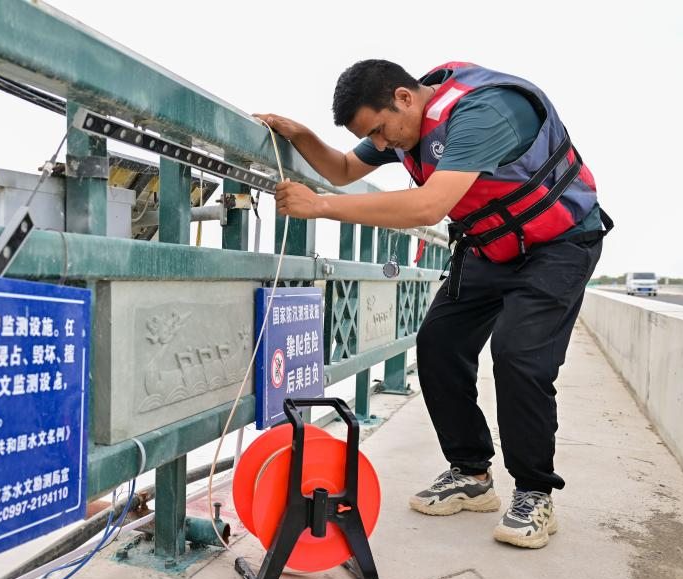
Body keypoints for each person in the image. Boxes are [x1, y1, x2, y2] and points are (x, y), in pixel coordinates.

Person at [256, 59, 611, 549]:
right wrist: (299, 135)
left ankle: (534, 492)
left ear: (404, 97)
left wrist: (318, 205)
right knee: (439, 345)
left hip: (558, 244)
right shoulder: (403, 123)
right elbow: (341, 169)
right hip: (491, 246)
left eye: (380, 131)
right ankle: (471, 474)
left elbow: (427, 207)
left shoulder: (484, 113)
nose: (380, 145)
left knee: (518, 356)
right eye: (371, 137)